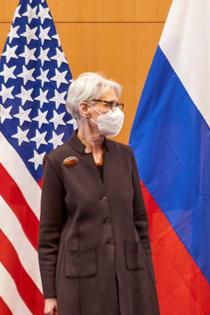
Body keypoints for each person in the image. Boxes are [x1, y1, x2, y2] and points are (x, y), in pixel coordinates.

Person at [38, 73, 160, 315]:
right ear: (85, 108)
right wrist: (50, 294)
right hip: (80, 283)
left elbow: (140, 222)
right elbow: (49, 234)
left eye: (117, 105)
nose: (116, 111)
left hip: (131, 278)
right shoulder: (58, 160)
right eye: (109, 104)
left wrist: (148, 276)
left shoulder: (125, 156)